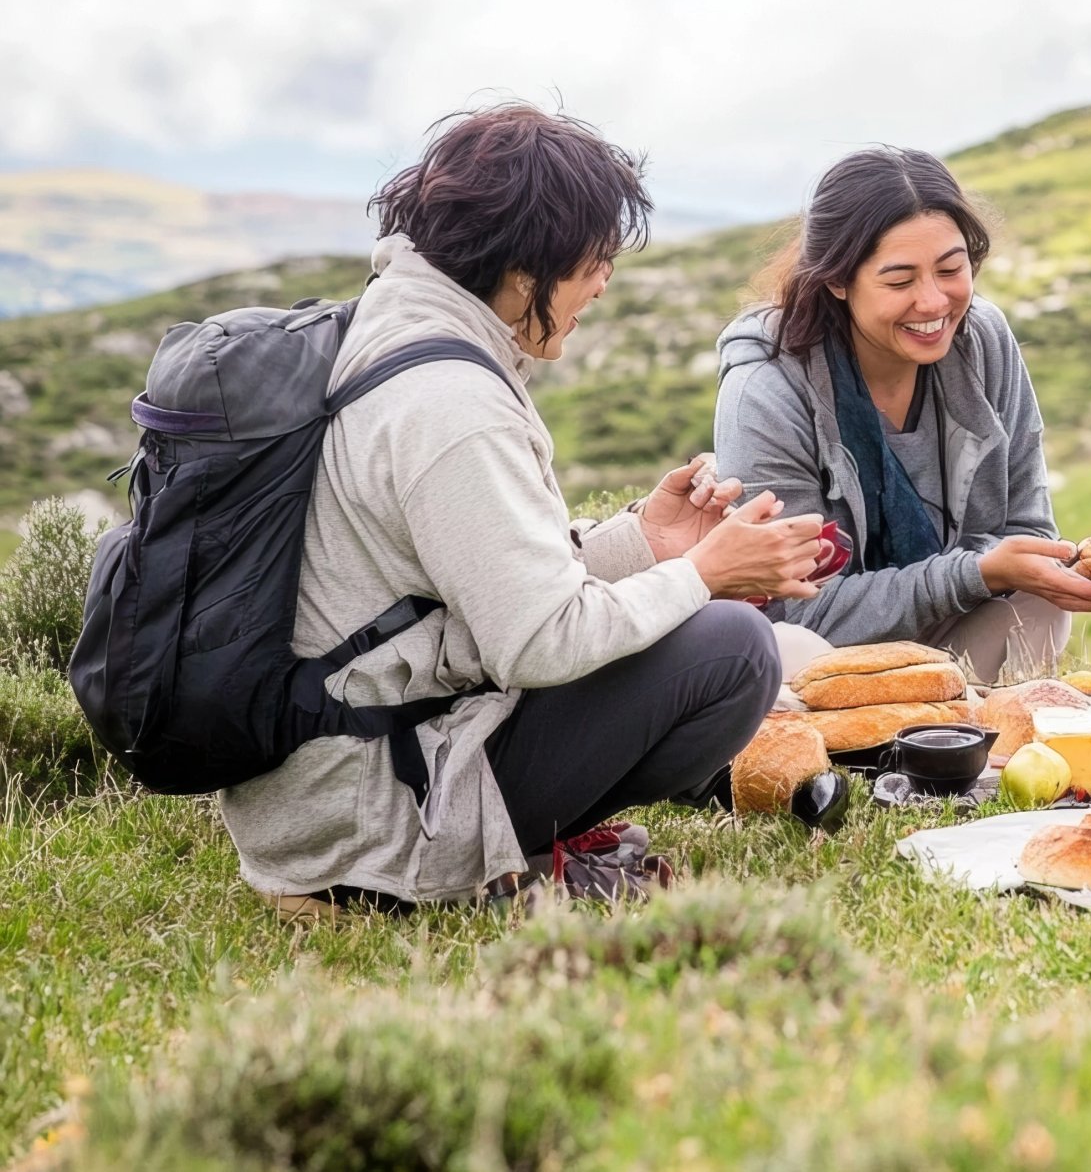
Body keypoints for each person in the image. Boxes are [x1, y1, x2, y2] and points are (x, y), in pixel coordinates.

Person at [221, 102, 830, 911]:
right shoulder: (451, 404)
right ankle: (443, 877)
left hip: (328, 782)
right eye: (592, 260)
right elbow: (539, 640)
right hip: (370, 817)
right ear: (523, 268)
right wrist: (700, 572)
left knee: (710, 632)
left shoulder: (395, 330)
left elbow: (481, 576)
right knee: (733, 649)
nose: (605, 282)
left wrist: (645, 540)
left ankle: (512, 848)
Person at [714, 146, 1091, 685]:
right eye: (900, 281)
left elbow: (1027, 528)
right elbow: (800, 609)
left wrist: (1012, 570)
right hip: (820, 663)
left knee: (1041, 602)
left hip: (943, 636)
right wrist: (972, 573)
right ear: (838, 280)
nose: (933, 303)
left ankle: (965, 739)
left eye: (951, 270)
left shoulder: (982, 341)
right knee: (788, 646)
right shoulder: (765, 391)